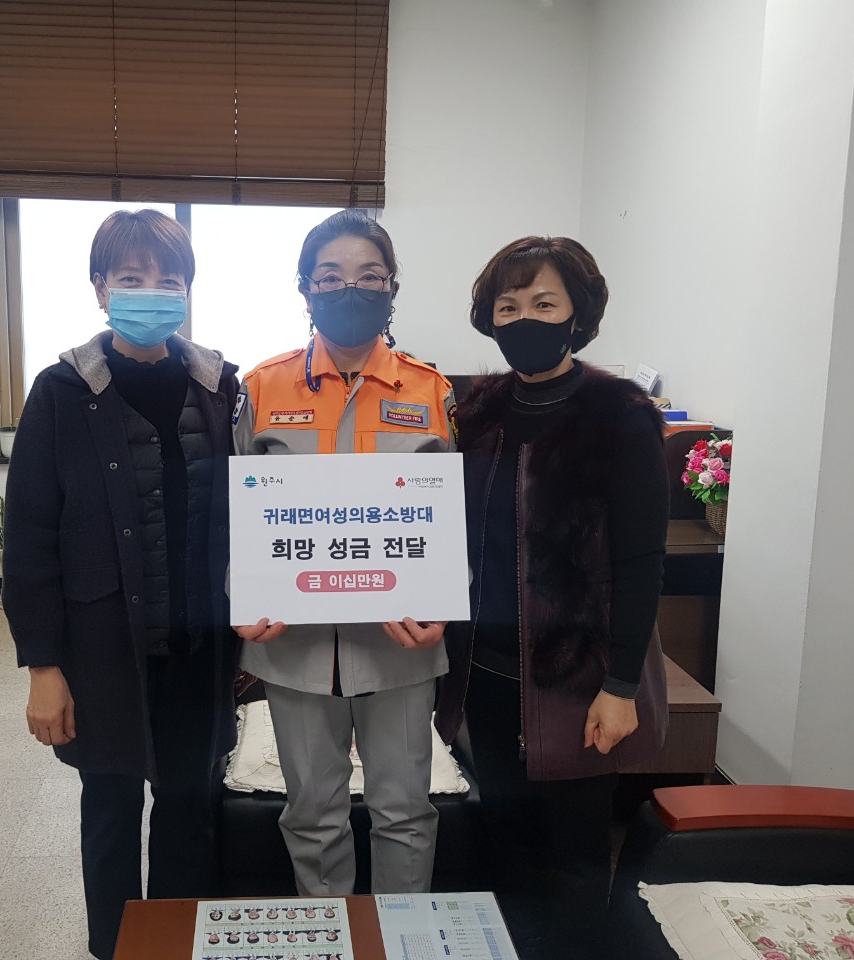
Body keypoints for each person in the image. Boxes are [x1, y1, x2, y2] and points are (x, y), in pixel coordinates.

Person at [1, 209, 240, 960]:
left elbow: (252, 514)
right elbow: (29, 539)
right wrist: (44, 668)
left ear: (189, 289)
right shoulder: (61, 391)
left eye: (169, 279)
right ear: (101, 287)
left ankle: (176, 945)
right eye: (132, 277)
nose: (151, 292)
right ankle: (115, 949)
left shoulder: (219, 386)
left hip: (199, 649)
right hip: (102, 650)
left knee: (188, 808)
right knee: (109, 811)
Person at [434, 236, 669, 960]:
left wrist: (621, 686)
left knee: (574, 851)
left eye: (543, 303)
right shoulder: (476, 410)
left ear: (577, 314)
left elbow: (641, 562)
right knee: (504, 838)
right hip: (487, 672)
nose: (524, 320)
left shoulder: (620, 413)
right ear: (489, 318)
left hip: (580, 677)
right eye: (508, 307)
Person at [232, 209, 456, 896]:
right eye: (329, 276)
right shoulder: (261, 388)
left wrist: (442, 604)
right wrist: (244, 595)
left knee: (405, 810)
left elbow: (452, 516)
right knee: (312, 813)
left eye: (368, 275)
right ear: (305, 288)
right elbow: (235, 514)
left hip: (401, 640)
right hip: (293, 642)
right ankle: (330, 930)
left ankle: (399, 934)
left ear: (392, 287)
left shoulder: (432, 391)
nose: (348, 288)